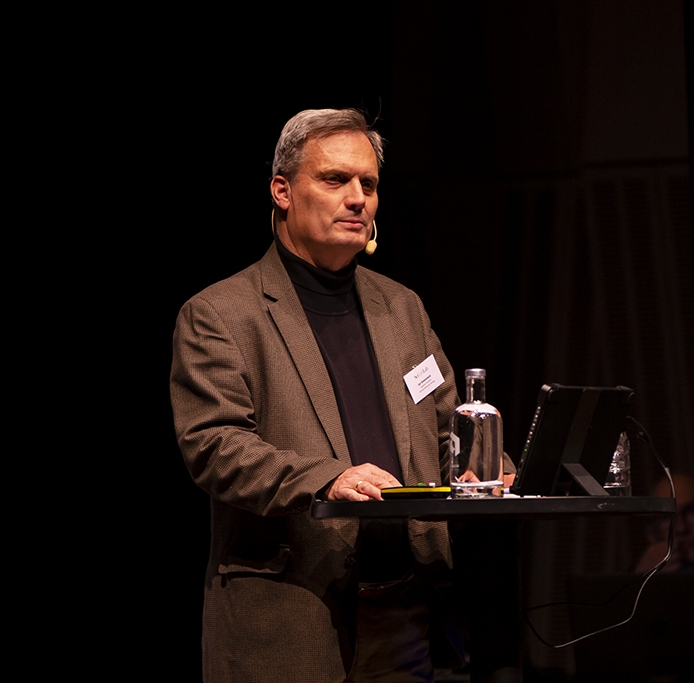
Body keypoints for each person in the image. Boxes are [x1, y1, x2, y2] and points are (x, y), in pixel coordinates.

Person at [171, 108, 513, 682]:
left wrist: (489, 465)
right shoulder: (221, 314)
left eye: (369, 184)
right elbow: (214, 445)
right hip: (292, 614)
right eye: (335, 180)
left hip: (406, 614)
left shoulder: (401, 308)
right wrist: (327, 478)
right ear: (282, 191)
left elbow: (443, 433)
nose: (358, 199)